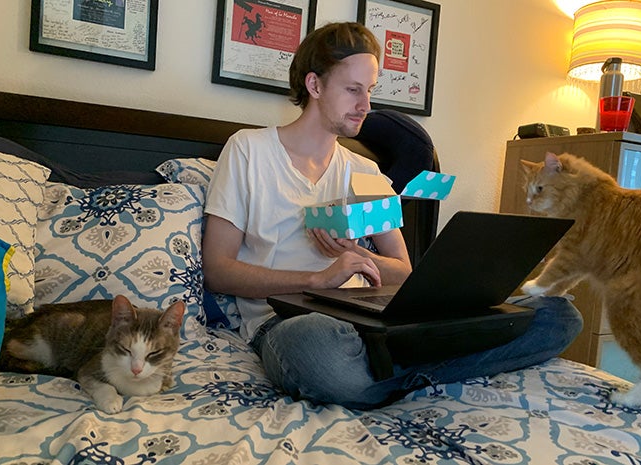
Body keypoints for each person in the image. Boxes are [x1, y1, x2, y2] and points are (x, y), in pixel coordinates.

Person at [202, 21, 582, 409]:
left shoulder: (366, 172)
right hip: (289, 322)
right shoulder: (249, 150)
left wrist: (356, 255)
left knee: (560, 315)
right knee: (315, 344)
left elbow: (404, 272)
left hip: (373, 322)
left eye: (369, 90)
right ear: (314, 86)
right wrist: (319, 277)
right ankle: (419, 370)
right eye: (352, 90)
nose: (366, 105)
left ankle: (388, 374)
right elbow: (218, 269)